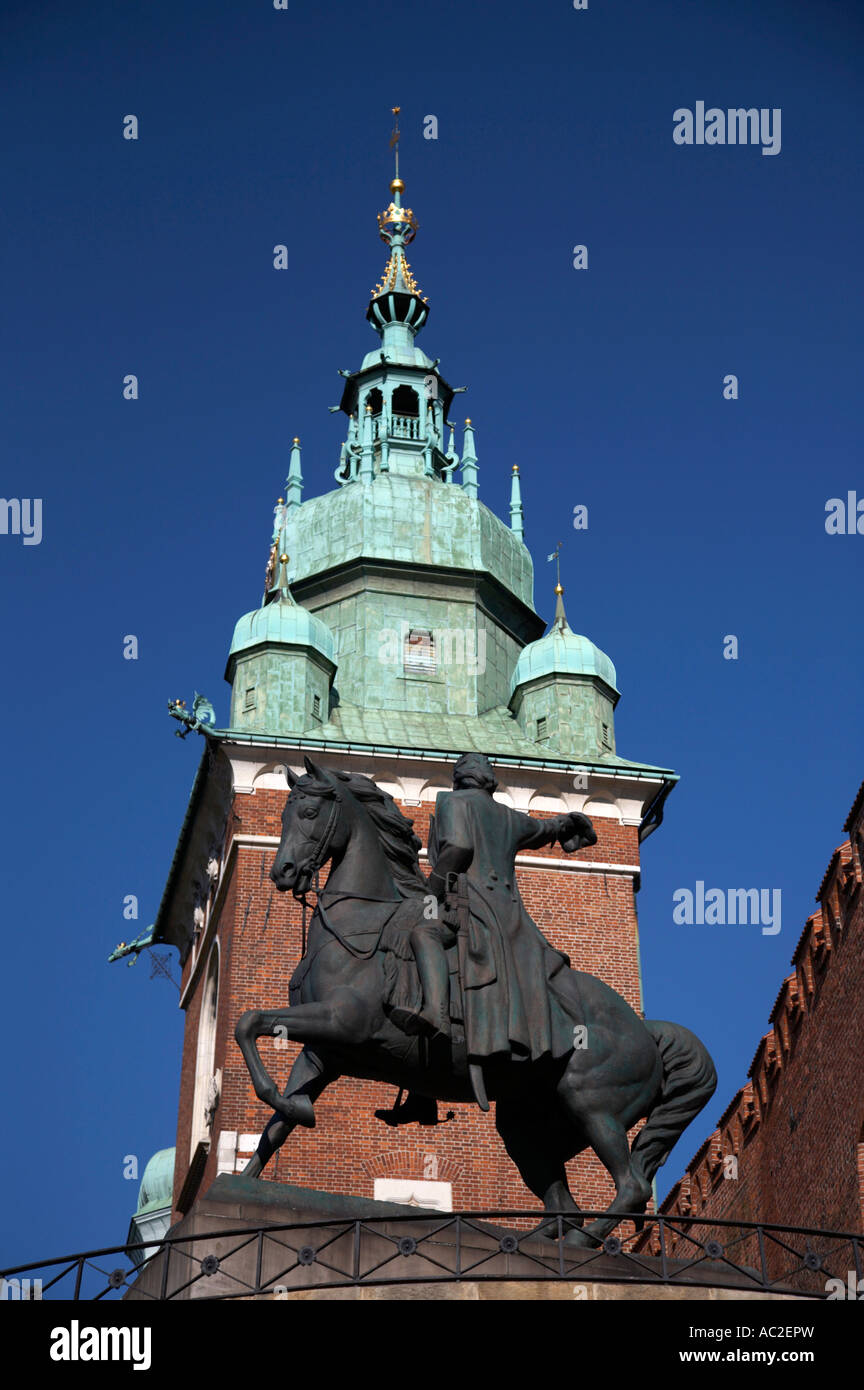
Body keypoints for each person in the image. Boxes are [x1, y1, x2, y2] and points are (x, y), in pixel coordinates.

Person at [391, 752, 597, 1076]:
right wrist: (567, 824)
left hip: (472, 906)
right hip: (510, 915)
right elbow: (544, 828)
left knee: (422, 933)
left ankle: (436, 1014)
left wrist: (431, 892)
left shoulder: (453, 802)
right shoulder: (507, 815)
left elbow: (458, 849)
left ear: (459, 778)